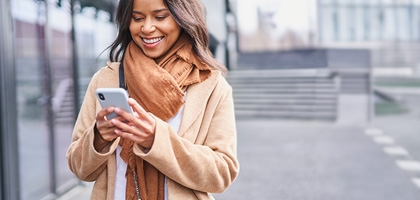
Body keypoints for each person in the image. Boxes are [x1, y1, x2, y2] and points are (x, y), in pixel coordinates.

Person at [66, 0, 239, 199]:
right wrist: (98, 138)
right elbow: (79, 168)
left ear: (182, 18)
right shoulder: (106, 79)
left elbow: (222, 173)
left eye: (160, 17)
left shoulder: (211, 85)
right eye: (137, 18)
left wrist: (156, 139)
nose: (147, 28)